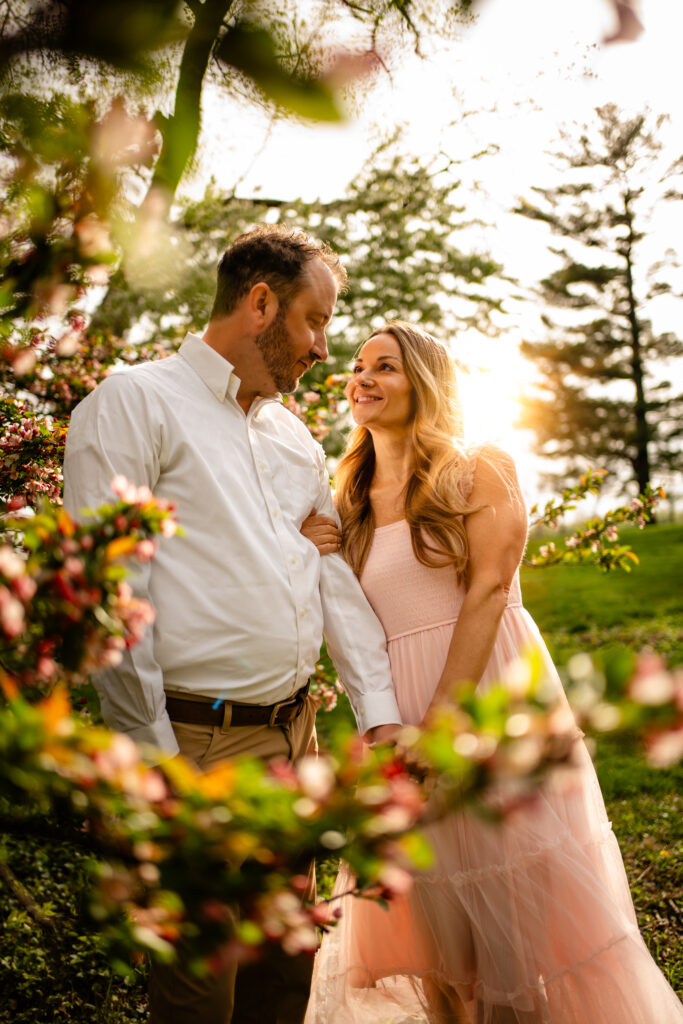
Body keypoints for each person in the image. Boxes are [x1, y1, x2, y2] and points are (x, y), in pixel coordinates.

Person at [62, 225, 402, 1024]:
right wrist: (157, 769)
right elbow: (112, 594)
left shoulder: (289, 435)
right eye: (315, 320)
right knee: (199, 994)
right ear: (259, 304)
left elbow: (327, 575)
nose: (325, 347)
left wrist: (377, 709)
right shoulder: (134, 403)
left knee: (285, 973)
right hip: (194, 750)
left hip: (296, 737)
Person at [301, 321, 683, 1024]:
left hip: (482, 697)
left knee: (515, 916)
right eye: (357, 366)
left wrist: (440, 725)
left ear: (423, 380)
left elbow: (486, 592)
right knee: (432, 911)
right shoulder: (344, 497)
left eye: (384, 366)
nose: (360, 378)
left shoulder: (479, 466)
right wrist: (314, 547)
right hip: (394, 710)